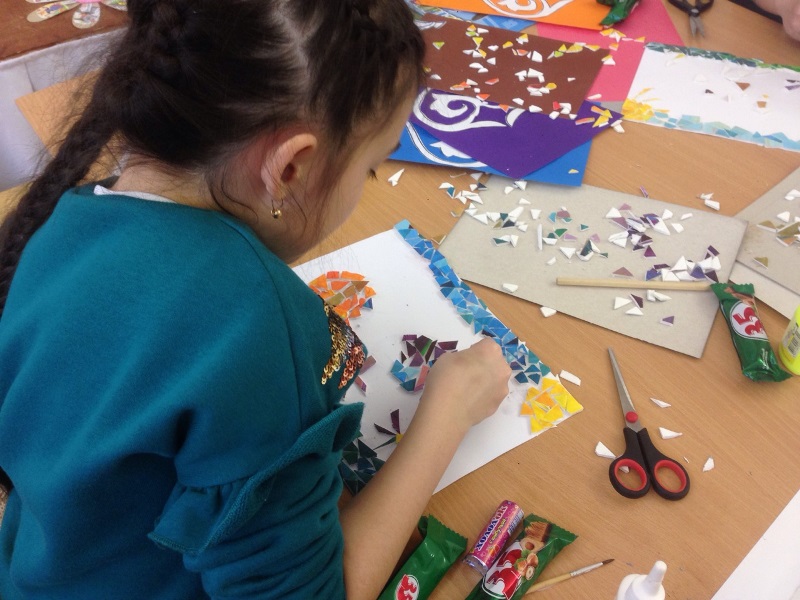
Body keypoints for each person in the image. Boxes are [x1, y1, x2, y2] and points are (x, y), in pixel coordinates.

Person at [0, 1, 511, 599]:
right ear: (291, 167)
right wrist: (448, 414)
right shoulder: (257, 332)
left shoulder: (62, 216)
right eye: (371, 168)